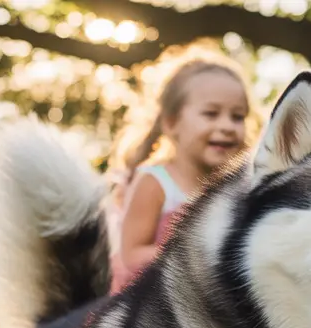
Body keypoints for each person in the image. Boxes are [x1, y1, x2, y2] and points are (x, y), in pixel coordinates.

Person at [107, 43, 256, 294]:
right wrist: (199, 254)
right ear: (171, 122)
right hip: (149, 303)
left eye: (237, 116)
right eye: (211, 114)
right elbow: (132, 255)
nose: (227, 126)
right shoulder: (155, 182)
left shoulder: (238, 187)